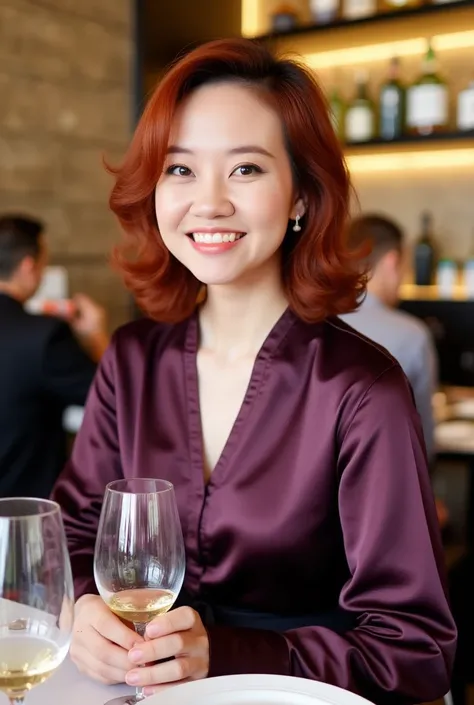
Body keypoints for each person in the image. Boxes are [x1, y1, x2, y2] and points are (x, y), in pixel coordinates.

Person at [52, 38, 456, 703]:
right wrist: (85, 607)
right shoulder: (131, 360)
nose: (208, 202)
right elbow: (70, 536)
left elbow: (414, 648)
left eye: (245, 170)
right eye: (179, 170)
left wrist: (226, 652)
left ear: (301, 195)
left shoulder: (360, 390)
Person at [0, 215, 109, 497]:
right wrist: (97, 335)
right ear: (28, 266)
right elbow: (114, 400)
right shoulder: (44, 336)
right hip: (24, 519)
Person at [340, 214, 438, 462]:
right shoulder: (411, 334)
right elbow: (423, 434)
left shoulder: (310, 321)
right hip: (387, 478)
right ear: (392, 262)